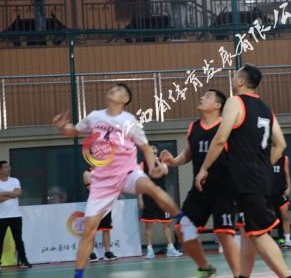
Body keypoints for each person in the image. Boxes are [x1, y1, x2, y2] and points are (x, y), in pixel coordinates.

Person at [53, 83, 198, 278]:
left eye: (119, 90)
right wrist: (63, 126)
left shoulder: (129, 121)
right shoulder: (94, 116)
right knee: (88, 231)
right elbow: (73, 131)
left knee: (152, 188)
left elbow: (145, 147)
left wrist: (152, 168)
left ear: (125, 99)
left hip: (127, 172)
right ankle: (78, 275)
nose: (113, 90)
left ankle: (183, 220)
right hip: (102, 181)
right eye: (112, 88)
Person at [195, 64, 291, 278]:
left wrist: (204, 168)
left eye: (234, 76)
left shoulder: (235, 102)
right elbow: (281, 144)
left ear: (241, 81)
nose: (232, 79)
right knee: (249, 231)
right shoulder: (266, 109)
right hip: (261, 177)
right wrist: (263, 165)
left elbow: (220, 139)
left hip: (247, 178)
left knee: (259, 233)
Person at [159, 89, 240, 277]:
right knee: (182, 230)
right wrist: (174, 161)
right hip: (199, 191)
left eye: (207, 96)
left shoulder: (226, 127)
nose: (202, 97)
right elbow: (189, 152)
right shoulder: (194, 127)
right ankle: (205, 268)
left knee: (224, 234)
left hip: (224, 190)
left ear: (218, 105)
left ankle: (239, 275)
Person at [139, 145, 183, 259]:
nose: (152, 150)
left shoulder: (162, 162)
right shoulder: (142, 164)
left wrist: (156, 161)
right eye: (150, 148)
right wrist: (140, 199)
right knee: (148, 225)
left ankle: (170, 248)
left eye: (154, 148)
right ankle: (149, 250)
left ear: (157, 151)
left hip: (161, 197)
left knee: (166, 224)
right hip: (148, 197)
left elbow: (165, 172)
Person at [0, 161, 31, 271]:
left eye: (9, 166)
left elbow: (18, 193)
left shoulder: (15, 180)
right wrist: (11, 194)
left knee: (18, 240)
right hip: (0, 217)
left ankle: (24, 261)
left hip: (15, 216)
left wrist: (3, 193)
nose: (9, 168)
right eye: (6, 167)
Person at [82, 166, 118, 262]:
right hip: (94, 205)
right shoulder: (87, 173)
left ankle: (108, 253)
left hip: (106, 204)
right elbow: (92, 189)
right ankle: (91, 253)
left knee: (106, 229)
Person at [270, 153, 291, 248]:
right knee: (266, 217)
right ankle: (268, 241)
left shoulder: (284, 158)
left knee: (285, 216)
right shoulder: (265, 155)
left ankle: (287, 239)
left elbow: (287, 174)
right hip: (268, 192)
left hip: (281, 192)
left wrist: (289, 187)